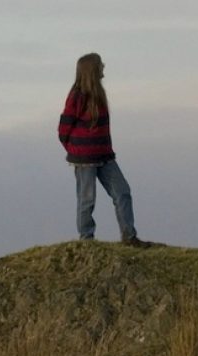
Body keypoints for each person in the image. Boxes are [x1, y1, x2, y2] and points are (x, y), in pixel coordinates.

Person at [58, 53, 151, 248]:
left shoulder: (99, 94)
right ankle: (86, 241)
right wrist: (75, 149)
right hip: (84, 159)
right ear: (92, 70)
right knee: (87, 200)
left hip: (105, 156)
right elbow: (63, 128)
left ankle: (129, 236)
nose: (104, 68)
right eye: (100, 65)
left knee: (122, 192)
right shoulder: (77, 95)